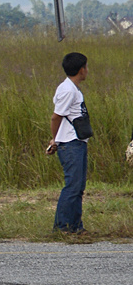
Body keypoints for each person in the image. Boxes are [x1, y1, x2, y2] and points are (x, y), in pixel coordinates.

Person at [49, 52, 90, 234]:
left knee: (78, 186)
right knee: (72, 186)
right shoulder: (67, 90)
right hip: (70, 143)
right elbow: (56, 117)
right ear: (81, 70)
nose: (87, 71)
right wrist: (55, 140)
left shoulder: (72, 88)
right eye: (86, 67)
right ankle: (62, 227)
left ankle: (75, 226)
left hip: (77, 142)